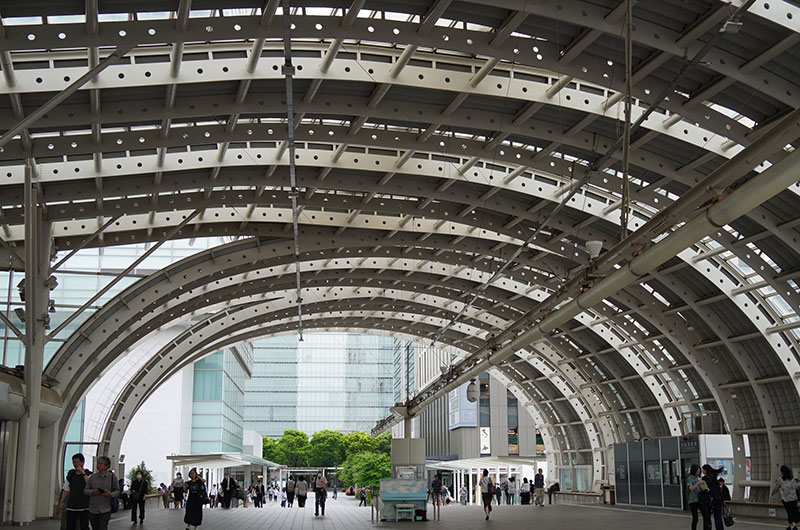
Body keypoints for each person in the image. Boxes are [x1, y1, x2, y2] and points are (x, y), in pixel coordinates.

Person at [56, 452, 92, 530]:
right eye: (73, 462)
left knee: (84, 526)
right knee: (70, 526)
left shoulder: (88, 474)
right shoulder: (71, 475)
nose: (75, 464)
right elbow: (66, 489)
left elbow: (90, 484)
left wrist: (83, 473)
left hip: (84, 506)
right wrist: (61, 503)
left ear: (82, 462)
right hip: (71, 506)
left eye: (77, 462)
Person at [84, 456, 119, 530]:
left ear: (106, 466)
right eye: (98, 463)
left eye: (101, 463)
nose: (98, 465)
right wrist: (92, 492)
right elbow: (85, 490)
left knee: (103, 527)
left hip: (105, 509)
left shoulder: (112, 477)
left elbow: (117, 491)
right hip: (93, 509)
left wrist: (110, 494)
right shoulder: (92, 477)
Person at [771, 465, 800, 530]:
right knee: (792, 511)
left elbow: (777, 487)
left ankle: (794, 525)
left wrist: (773, 493)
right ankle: (789, 526)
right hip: (794, 498)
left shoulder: (780, 480)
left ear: (782, 472)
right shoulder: (792, 479)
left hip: (786, 499)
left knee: (789, 512)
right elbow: (796, 487)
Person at [702, 465, 725, 530]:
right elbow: (718, 489)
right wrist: (722, 499)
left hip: (710, 499)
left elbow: (705, 489)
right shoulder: (714, 477)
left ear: (706, 470)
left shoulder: (705, 478)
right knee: (718, 517)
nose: (702, 471)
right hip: (717, 499)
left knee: (707, 517)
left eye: (703, 470)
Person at [688, 464, 711, 530]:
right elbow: (691, 488)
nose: (698, 473)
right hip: (692, 500)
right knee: (695, 518)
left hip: (700, 500)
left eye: (699, 472)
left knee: (705, 515)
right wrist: (698, 483)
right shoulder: (690, 479)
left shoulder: (699, 478)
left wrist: (706, 488)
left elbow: (702, 488)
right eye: (697, 472)